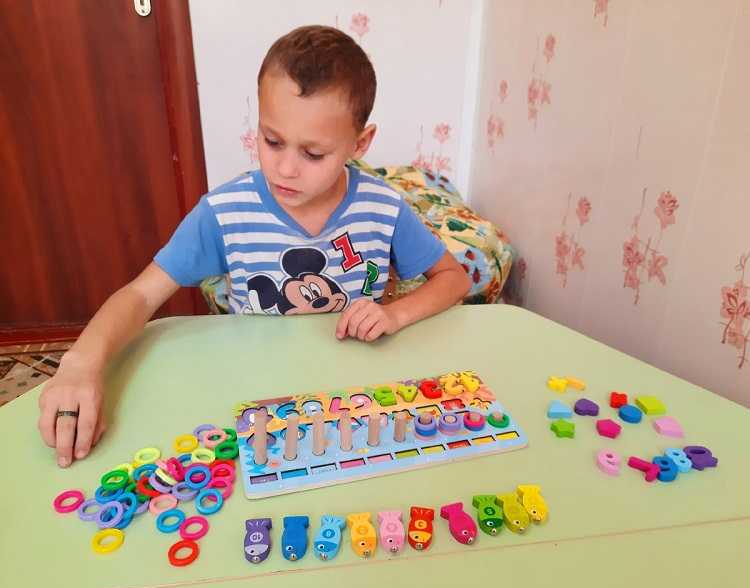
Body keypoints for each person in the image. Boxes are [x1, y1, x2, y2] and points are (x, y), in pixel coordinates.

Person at [37, 25, 471, 467]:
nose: (285, 169)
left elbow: (453, 279)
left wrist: (394, 314)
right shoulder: (225, 213)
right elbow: (140, 295)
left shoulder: (383, 207)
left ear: (359, 144)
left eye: (313, 154)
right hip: (259, 404)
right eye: (272, 141)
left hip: (359, 400)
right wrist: (79, 365)